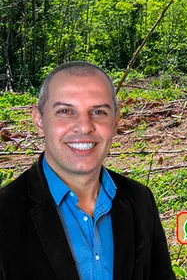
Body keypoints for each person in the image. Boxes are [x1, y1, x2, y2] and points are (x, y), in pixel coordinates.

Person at [0, 61, 176, 280]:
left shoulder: (140, 200)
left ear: (115, 120)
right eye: (65, 111)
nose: (84, 126)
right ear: (39, 119)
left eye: (99, 112)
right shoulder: (5, 212)